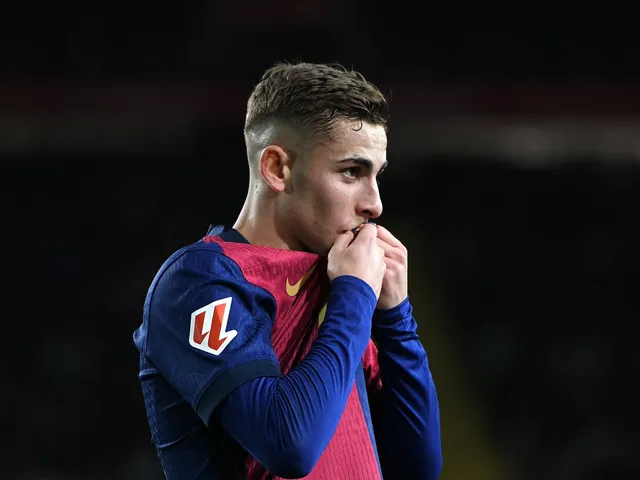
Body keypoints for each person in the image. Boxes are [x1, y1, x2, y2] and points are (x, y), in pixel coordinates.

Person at [134, 61, 442, 480]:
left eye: (377, 175)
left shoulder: (339, 282)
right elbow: (289, 445)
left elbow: (417, 468)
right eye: (351, 172)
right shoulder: (200, 282)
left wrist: (395, 319)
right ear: (277, 169)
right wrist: (354, 294)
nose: (375, 204)